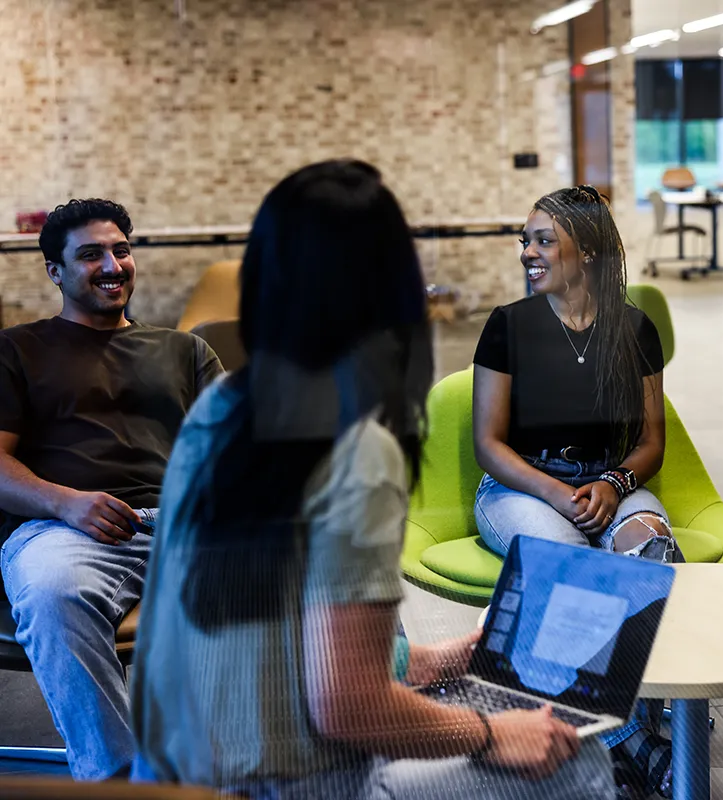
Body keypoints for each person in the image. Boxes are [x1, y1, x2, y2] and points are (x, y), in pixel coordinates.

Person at [130, 160, 612, 799]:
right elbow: (346, 705)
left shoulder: (222, 409)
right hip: (294, 784)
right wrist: (493, 735)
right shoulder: (359, 449)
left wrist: (443, 660)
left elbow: (288, 631)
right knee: (581, 761)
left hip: (174, 774)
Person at [0, 199, 222, 780]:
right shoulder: (18, 349)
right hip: (62, 529)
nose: (112, 265)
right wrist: (65, 503)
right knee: (53, 590)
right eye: (91, 254)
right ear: (55, 272)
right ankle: (117, 782)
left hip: (182, 525)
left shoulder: (186, 351)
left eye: (121, 249)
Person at [472, 185, 676, 798]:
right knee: (575, 572)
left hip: (610, 481)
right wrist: (559, 496)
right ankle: (633, 740)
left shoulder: (634, 330)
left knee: (655, 555)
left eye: (543, 241)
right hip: (521, 486)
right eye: (525, 240)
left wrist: (614, 485)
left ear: (585, 252)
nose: (527, 253)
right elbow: (489, 445)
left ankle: (652, 710)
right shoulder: (508, 326)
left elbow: (651, 441)